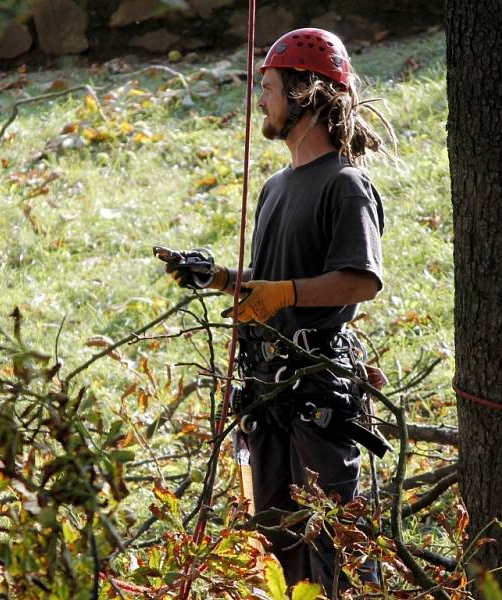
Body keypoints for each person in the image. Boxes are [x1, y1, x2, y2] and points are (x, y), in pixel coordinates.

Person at [159, 28, 395, 593]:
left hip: (318, 388)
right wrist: (216, 277)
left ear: (306, 92)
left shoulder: (345, 184)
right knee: (276, 536)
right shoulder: (275, 187)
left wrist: (285, 294)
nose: (259, 100)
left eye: (267, 87)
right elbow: (268, 284)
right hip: (266, 390)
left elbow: (361, 280)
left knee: (333, 539)